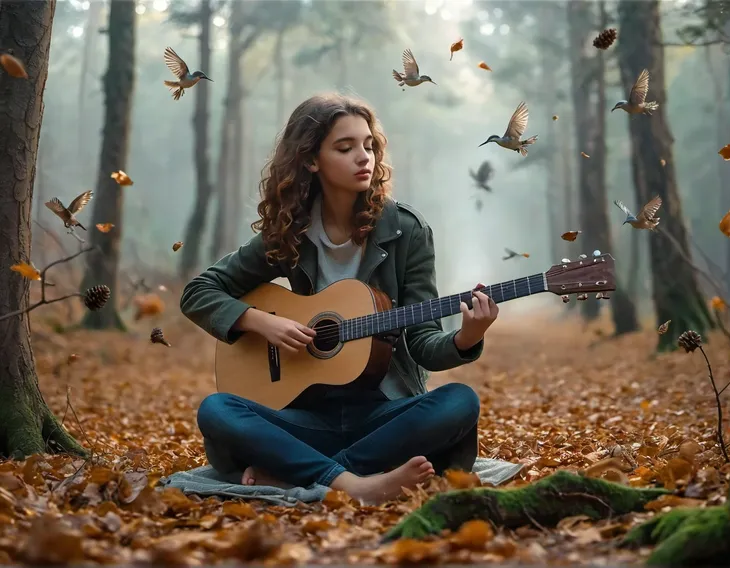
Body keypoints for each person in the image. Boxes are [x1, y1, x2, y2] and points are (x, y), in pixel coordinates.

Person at [180, 93, 499, 505]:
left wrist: (466, 338)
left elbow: (424, 344)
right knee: (216, 410)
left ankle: (300, 472)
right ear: (311, 160)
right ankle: (356, 482)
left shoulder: (406, 231)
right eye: (345, 148)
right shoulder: (289, 233)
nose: (363, 157)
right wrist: (261, 322)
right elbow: (198, 292)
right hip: (305, 412)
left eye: (369, 146)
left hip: (383, 413)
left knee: (460, 401)